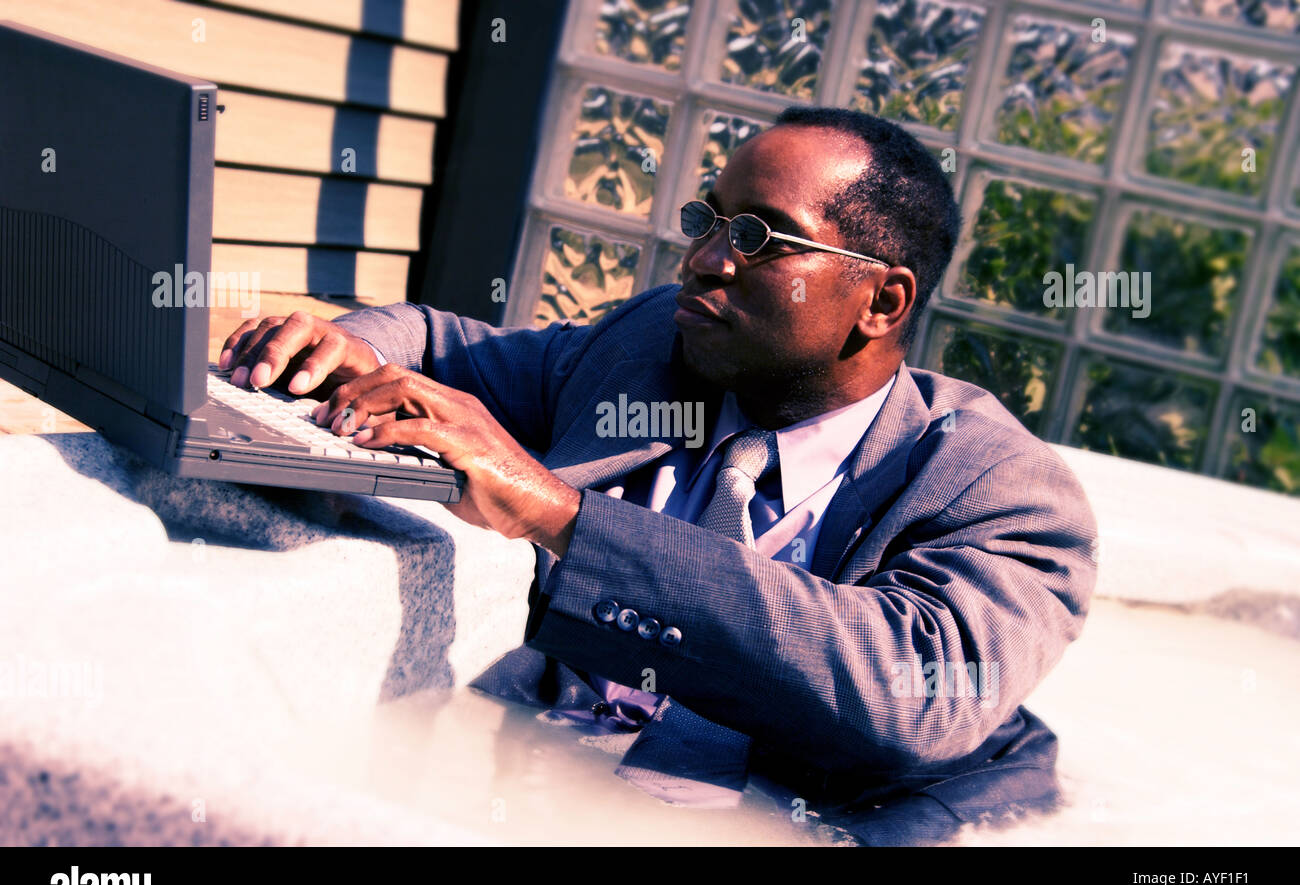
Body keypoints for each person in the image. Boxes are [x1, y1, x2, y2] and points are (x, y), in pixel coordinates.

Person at [218, 106, 1099, 846]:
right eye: (707, 220)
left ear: (882, 301)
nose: (706, 258)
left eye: (761, 238)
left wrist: (558, 513)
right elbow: (444, 347)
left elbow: (911, 689)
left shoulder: (1003, 489)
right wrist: (347, 349)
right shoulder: (652, 352)